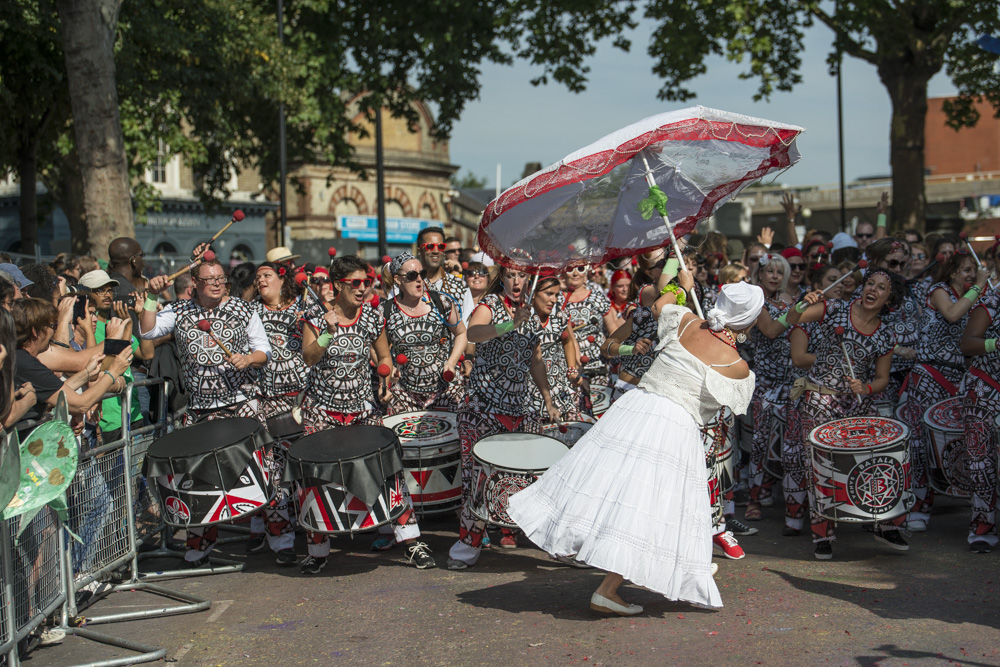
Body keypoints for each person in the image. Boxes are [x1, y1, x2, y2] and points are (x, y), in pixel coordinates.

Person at [509, 282, 763, 614]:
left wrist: (678, 287)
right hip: (672, 427)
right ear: (749, 320)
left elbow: (659, 305)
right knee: (653, 506)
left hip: (637, 408)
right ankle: (609, 589)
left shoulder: (684, 318)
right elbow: (721, 404)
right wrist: (726, 336)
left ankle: (676, 569)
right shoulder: (737, 365)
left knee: (628, 497)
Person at [298, 254, 435, 573]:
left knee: (390, 471)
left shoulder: (373, 315)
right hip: (322, 411)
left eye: (367, 283)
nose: (362, 289)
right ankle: (318, 552)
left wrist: (386, 378)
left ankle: (411, 542)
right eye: (355, 283)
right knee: (315, 480)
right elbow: (309, 357)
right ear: (337, 285)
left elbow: (383, 353)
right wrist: (327, 333)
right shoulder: (314, 315)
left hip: (362, 409)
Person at [142, 258, 272, 566]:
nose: (216, 284)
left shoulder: (244, 309)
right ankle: (200, 544)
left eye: (221, 279)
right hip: (199, 407)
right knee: (200, 481)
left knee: (260, 471)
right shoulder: (179, 310)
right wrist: (150, 295)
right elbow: (147, 332)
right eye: (209, 279)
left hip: (241, 403)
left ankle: (277, 537)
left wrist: (248, 359)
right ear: (194, 283)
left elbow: (264, 351)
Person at [785, 269, 910, 559]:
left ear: (889, 298)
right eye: (870, 284)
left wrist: (865, 387)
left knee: (874, 462)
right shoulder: (836, 308)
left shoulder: (885, 334)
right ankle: (822, 535)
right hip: (820, 399)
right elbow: (792, 320)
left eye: (881, 288)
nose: (872, 290)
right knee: (819, 469)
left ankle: (883, 523)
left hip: (856, 405)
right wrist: (804, 303)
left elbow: (882, 379)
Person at [446, 265, 561, 570]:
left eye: (521, 276)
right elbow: (474, 333)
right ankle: (467, 545)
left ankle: (554, 542)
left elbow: (535, 360)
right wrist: (508, 325)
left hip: (518, 409)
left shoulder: (532, 315)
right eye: (510, 275)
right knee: (478, 480)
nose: (516, 281)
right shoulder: (491, 305)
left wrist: (548, 398)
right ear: (503, 277)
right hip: (482, 409)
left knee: (530, 479)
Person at [901, 251, 989, 530]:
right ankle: (919, 507)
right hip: (928, 376)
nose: (971, 276)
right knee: (920, 444)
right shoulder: (938, 290)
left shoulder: (976, 297)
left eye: (974, 271)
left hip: (959, 379)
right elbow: (952, 315)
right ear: (951, 273)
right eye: (965, 270)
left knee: (953, 444)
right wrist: (978, 287)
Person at [249, 261, 306, 566]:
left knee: (308, 472)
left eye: (266, 275)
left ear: (282, 279)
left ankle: (317, 533)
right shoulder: (250, 312)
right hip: (268, 402)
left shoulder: (303, 306)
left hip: (303, 400)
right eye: (257, 277)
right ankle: (282, 542)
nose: (260, 281)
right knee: (273, 477)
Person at [383, 252, 467, 413]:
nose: (419, 279)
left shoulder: (441, 302)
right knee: (403, 437)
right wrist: (390, 368)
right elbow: (378, 348)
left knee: (451, 437)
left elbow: (461, 333)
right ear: (398, 280)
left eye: (422, 274)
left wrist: (451, 362)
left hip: (446, 391)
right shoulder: (386, 310)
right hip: (405, 395)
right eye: (412, 275)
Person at [959, 292, 1000, 553]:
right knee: (981, 461)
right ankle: (982, 528)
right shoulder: (994, 302)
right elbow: (967, 344)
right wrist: (996, 343)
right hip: (985, 388)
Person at [417, 227, 473, 323]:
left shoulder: (460, 286)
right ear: (419, 251)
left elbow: (467, 324)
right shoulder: (408, 284)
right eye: (430, 246)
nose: (435, 251)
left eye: (440, 246)